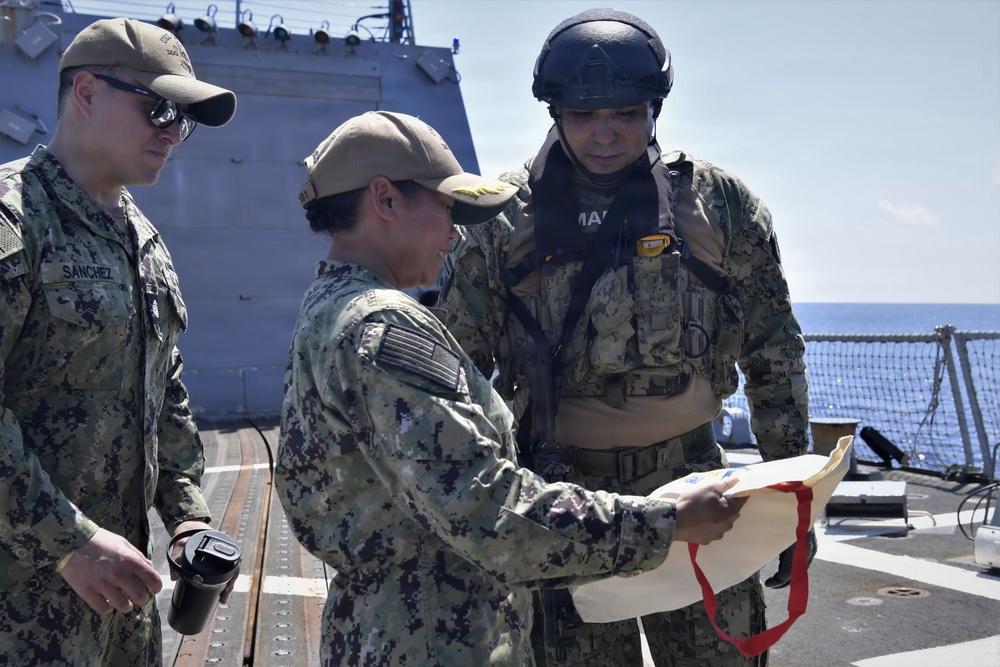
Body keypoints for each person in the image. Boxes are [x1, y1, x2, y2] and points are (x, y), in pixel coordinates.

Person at [275, 110, 746, 666]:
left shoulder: (328, 309)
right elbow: (489, 512)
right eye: (447, 207)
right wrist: (666, 522)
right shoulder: (384, 326)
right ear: (386, 199)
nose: (454, 232)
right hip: (434, 639)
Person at [438, 8, 812, 667]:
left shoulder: (719, 206)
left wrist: (793, 504)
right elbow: (457, 387)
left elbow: (774, 354)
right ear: (554, 113)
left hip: (701, 497)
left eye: (625, 114)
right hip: (566, 508)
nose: (604, 134)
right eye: (583, 116)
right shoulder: (501, 221)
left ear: (654, 109)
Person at [0, 17, 238, 666]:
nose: (171, 132)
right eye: (157, 107)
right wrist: (67, 539)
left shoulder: (144, 242)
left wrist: (188, 515)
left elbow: (166, 396)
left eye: (181, 118)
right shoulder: (14, 219)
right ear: (84, 93)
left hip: (120, 612)